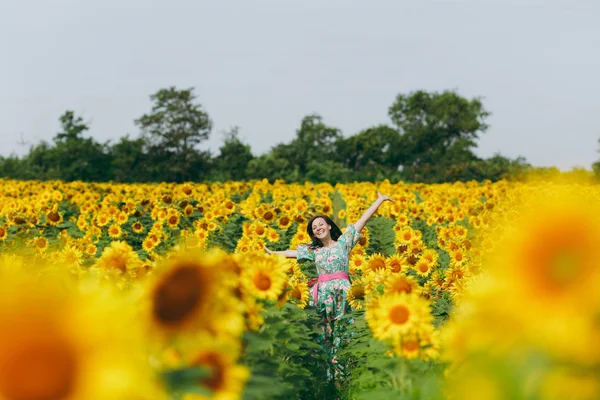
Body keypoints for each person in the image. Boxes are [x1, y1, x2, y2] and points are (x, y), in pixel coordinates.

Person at [264, 192, 394, 385]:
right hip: (323, 295)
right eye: (314, 228)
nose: (317, 229)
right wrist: (273, 253)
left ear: (329, 226)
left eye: (320, 225)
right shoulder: (314, 251)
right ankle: (327, 379)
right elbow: (292, 253)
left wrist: (379, 200)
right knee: (325, 333)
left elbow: (362, 221)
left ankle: (344, 377)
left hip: (343, 294)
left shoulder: (344, 243)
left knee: (343, 330)